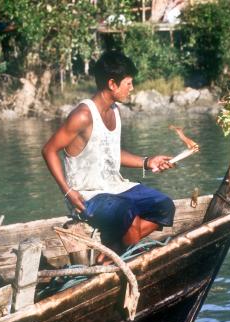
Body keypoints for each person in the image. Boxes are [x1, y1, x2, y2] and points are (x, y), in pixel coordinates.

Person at [42, 50, 175, 260]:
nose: (132, 89)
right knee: (128, 213)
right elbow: (49, 150)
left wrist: (147, 162)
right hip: (88, 196)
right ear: (112, 84)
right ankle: (124, 250)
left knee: (165, 206)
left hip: (117, 187)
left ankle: (114, 249)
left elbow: (111, 152)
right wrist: (68, 191)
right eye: (128, 83)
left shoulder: (115, 110)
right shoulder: (83, 115)